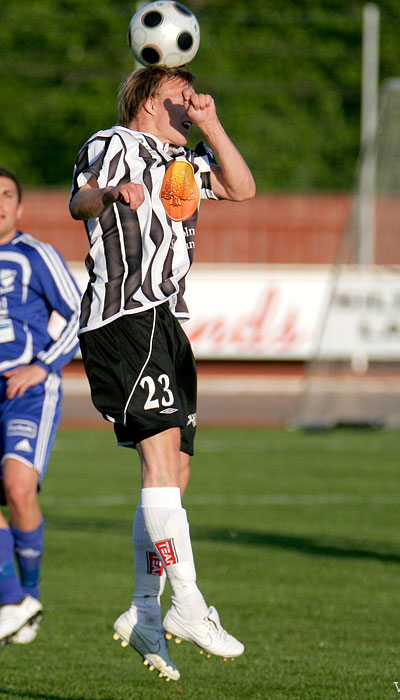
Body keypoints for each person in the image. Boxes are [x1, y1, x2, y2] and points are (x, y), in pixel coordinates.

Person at [69, 65, 255, 682]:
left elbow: (244, 187)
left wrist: (210, 121)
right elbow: (79, 199)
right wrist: (112, 195)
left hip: (168, 322)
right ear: (149, 101)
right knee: (158, 465)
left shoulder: (187, 161)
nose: (189, 106)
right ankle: (190, 605)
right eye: (179, 98)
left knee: (174, 474)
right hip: (125, 314)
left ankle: (147, 610)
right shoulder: (113, 143)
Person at [0, 168, 81, 645]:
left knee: (17, 486)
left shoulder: (36, 256)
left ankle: (27, 597)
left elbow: (79, 313)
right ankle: (13, 603)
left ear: (20, 208)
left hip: (27, 389)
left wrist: (43, 365)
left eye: (7, 195)